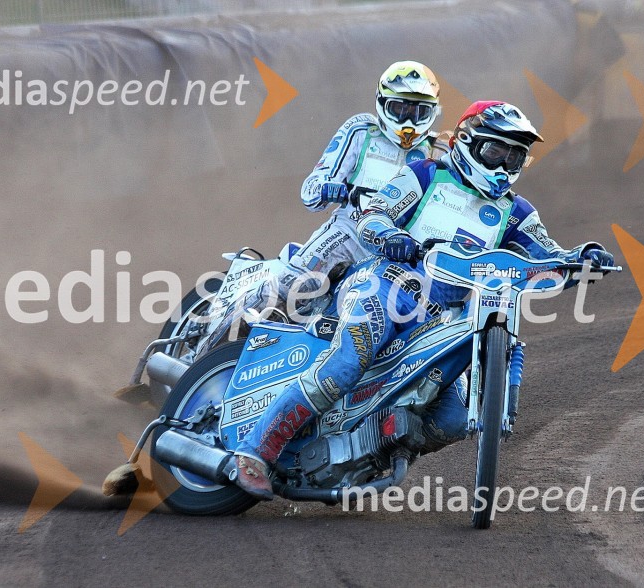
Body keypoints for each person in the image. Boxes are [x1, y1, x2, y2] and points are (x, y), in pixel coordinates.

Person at [231, 101, 615, 499]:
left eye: (514, 156)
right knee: (347, 364)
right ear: (467, 142)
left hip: (444, 321)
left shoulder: (516, 212)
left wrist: (583, 259)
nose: (503, 166)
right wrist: (391, 236)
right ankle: (257, 448)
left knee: (451, 419)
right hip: (384, 283)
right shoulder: (426, 174)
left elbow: (547, 256)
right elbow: (374, 213)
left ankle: (369, 450)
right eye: (495, 152)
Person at [283, 60, 447, 295]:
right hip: (351, 231)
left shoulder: (441, 151)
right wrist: (327, 188)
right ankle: (236, 319)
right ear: (381, 103)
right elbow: (310, 192)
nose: (409, 122)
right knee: (294, 285)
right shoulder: (361, 130)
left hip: (403, 248)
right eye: (400, 110)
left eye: (420, 112)